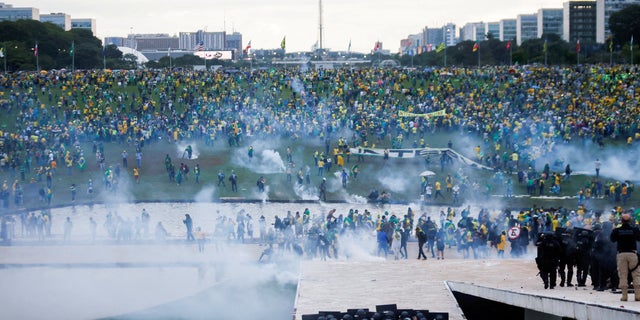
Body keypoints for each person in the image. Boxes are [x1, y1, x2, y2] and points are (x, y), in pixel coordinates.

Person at [610, 213, 640, 301]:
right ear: (630, 221)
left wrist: (613, 230)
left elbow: (612, 240)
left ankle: (624, 296)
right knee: (636, 274)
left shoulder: (617, 230)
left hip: (621, 254)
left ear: (621, 221)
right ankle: (638, 296)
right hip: (632, 254)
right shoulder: (634, 229)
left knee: (623, 275)